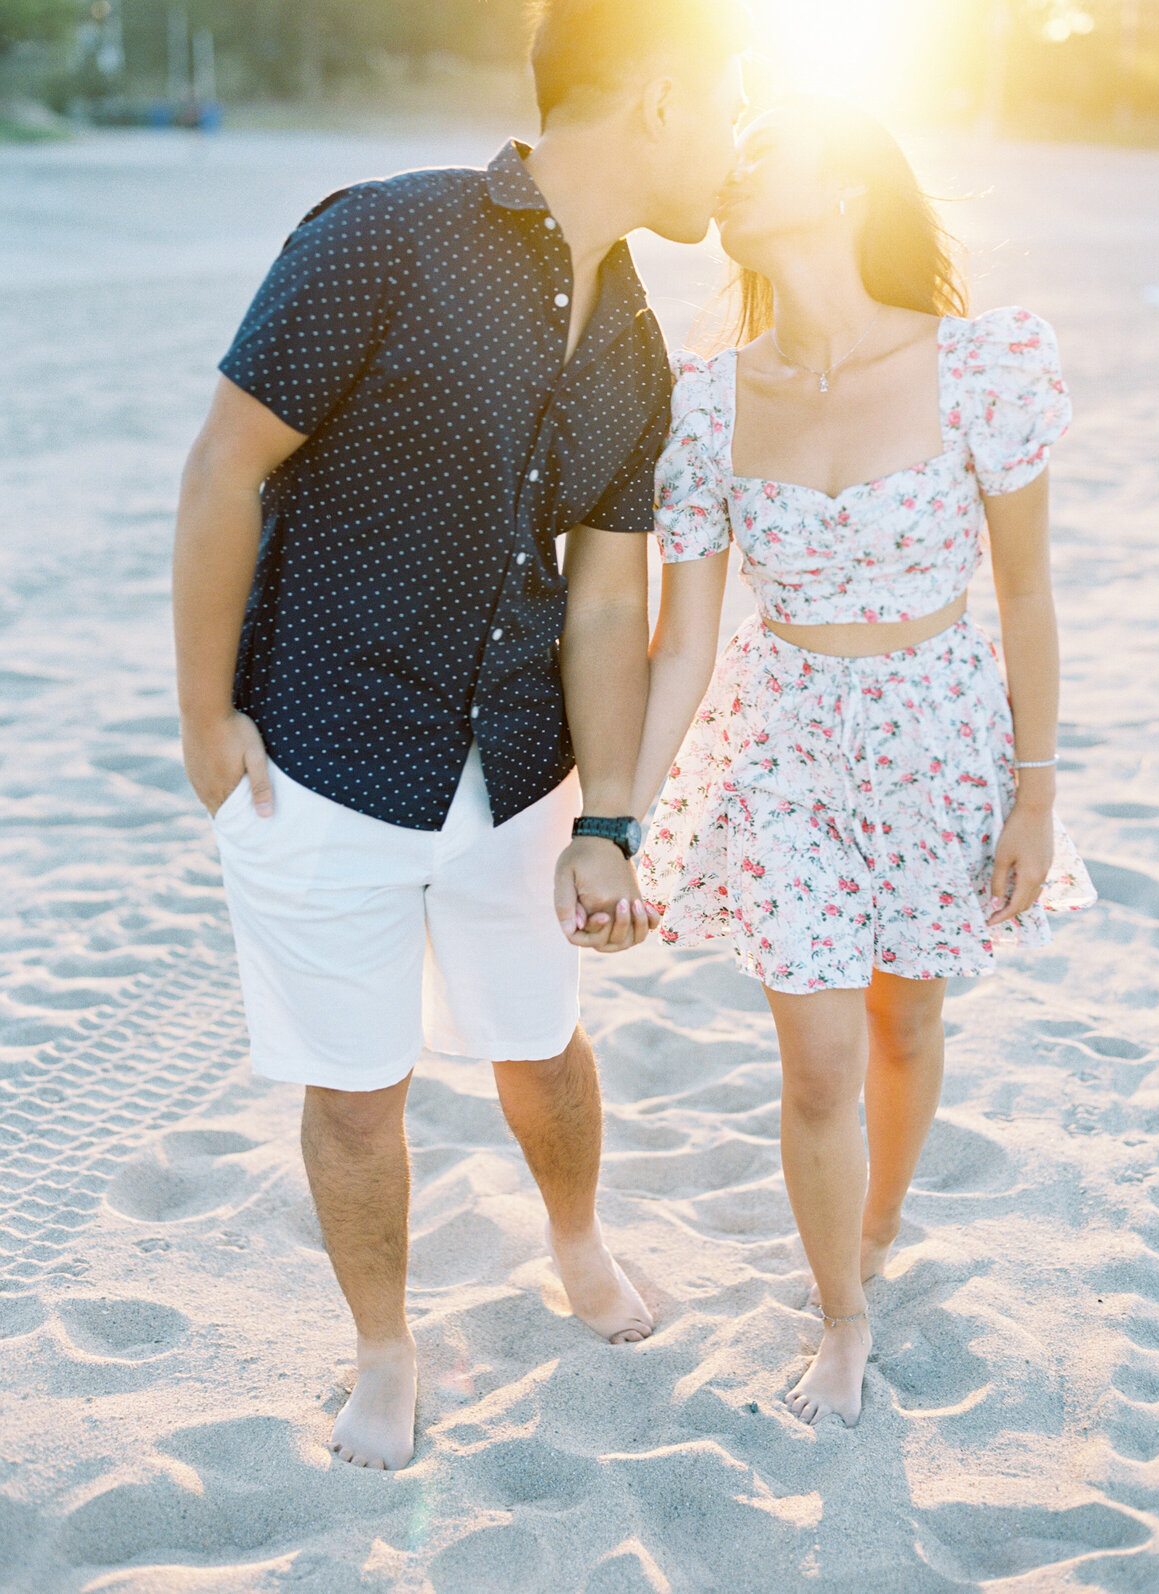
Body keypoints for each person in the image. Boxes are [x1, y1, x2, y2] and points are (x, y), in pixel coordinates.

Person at [173, 0, 749, 1470]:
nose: (738, 138)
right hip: (315, 751)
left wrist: (611, 816)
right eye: (730, 97)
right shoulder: (383, 237)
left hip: (517, 779)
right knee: (356, 1092)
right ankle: (385, 1347)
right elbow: (228, 465)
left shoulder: (636, 344)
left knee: (543, 1043)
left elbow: (608, 602)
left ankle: (576, 1246)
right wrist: (204, 719)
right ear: (660, 94)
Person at [631, 95, 1096, 1429]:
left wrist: (1040, 788)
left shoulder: (982, 364)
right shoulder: (710, 401)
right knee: (821, 1060)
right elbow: (682, 646)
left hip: (947, 738)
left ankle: (881, 1218)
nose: (735, 175)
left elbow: (1028, 595)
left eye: (767, 154)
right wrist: (620, 813)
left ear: (844, 190)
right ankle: (843, 1310)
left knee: (911, 1017)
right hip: (789, 749)